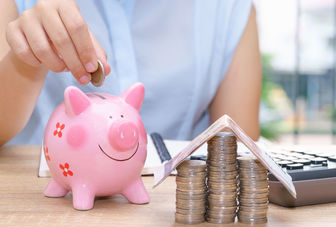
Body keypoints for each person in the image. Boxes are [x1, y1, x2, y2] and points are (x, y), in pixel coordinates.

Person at [0, 0, 261, 146]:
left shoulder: (228, 8)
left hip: (177, 218)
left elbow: (239, 150)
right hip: (44, 214)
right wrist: (28, 58)